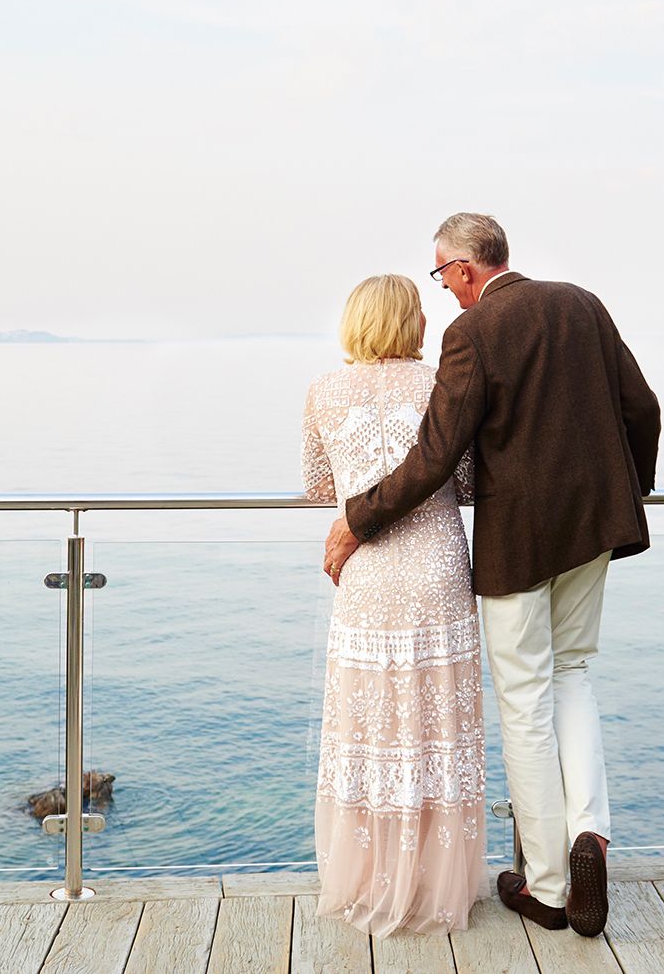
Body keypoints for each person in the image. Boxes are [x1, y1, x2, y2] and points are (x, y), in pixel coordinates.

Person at [324, 213, 661, 938]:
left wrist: (359, 517)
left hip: (520, 542)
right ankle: (590, 834)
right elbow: (643, 408)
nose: (442, 290)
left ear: (465, 268)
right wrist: (628, 488)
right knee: (574, 672)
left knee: (524, 702)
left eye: (441, 276)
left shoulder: (471, 333)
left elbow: (436, 454)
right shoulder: (583, 303)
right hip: (596, 525)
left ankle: (546, 884)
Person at [301, 273, 487, 935]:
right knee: (436, 729)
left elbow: (321, 487)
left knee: (370, 731)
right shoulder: (443, 385)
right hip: (436, 565)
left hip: (368, 573)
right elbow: (463, 481)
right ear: (413, 322)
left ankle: (366, 877)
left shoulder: (323, 391)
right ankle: (437, 881)